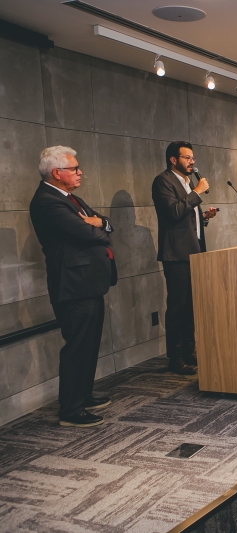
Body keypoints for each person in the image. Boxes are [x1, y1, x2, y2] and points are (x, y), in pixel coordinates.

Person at [29, 146, 117, 428]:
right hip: (73, 284)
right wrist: (99, 228)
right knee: (77, 346)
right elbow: (86, 233)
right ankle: (71, 409)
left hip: (88, 282)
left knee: (89, 344)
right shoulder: (47, 201)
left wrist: (100, 222)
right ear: (57, 173)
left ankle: (84, 395)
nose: (80, 172)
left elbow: (103, 223)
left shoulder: (70, 198)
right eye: (74, 168)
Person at [152, 141, 217, 375]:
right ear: (173, 159)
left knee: (191, 306)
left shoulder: (187, 183)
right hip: (176, 254)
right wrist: (197, 193)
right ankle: (175, 357)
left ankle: (190, 351)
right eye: (187, 158)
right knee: (178, 307)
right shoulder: (163, 181)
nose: (192, 162)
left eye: (193, 158)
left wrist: (203, 217)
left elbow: (186, 216)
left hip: (194, 250)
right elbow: (173, 213)